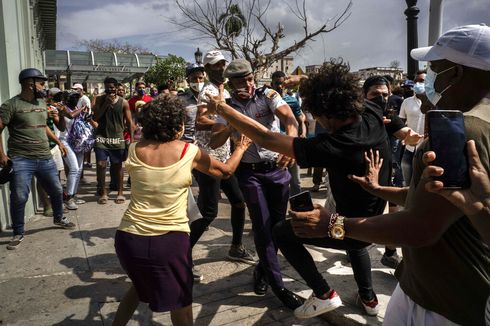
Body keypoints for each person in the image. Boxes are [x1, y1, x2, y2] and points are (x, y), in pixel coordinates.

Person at [291, 24, 490, 325]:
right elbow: (436, 201)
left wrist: (332, 224)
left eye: (435, 68)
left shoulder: (463, 130)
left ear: (457, 73)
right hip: (421, 289)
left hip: (444, 304)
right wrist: (379, 188)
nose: (429, 78)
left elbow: (419, 227)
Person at [203, 59, 390, 318]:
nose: (320, 123)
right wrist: (303, 80)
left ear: (327, 114)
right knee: (355, 247)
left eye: (320, 118)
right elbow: (333, 88)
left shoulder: (333, 146)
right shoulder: (369, 111)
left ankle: (324, 294)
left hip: (349, 224)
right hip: (372, 211)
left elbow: (268, 137)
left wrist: (221, 108)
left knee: (282, 231)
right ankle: (368, 299)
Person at [112, 95, 252, 326]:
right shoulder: (188, 151)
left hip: (129, 238)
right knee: (181, 303)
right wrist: (241, 147)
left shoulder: (134, 148)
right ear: (178, 125)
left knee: (138, 286)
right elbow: (226, 172)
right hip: (168, 241)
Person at [207, 59, 305, 311]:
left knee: (278, 226)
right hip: (249, 174)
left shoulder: (268, 95)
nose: (248, 84)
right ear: (231, 83)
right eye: (241, 81)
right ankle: (279, 286)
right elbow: (215, 142)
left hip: (277, 170)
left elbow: (291, 120)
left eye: (250, 78)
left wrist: (291, 143)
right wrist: (230, 123)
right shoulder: (226, 106)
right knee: (262, 227)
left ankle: (262, 270)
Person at [191, 51, 256, 273]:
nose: (220, 68)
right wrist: (227, 120)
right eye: (215, 66)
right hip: (208, 158)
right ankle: (180, 255)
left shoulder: (223, 90)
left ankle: (236, 247)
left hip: (224, 159)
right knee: (208, 212)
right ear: (207, 69)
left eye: (222, 64)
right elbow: (199, 121)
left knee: (238, 202)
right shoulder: (208, 90)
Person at [0, 68, 76, 250]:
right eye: (41, 82)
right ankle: (18, 232)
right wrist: (2, 155)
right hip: (20, 159)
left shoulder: (42, 103)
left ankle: (59, 217)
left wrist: (59, 135)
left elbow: (46, 127)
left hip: (44, 156)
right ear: (30, 83)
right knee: (19, 196)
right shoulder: (11, 105)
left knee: (57, 190)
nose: (44, 86)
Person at [89, 77, 133, 205]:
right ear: (105, 87)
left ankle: (120, 193)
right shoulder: (99, 100)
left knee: (118, 166)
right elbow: (96, 117)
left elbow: (130, 122)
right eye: (108, 88)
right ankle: (103, 192)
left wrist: (131, 140)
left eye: (113, 88)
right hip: (102, 137)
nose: (110, 90)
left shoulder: (124, 102)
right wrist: (106, 105)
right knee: (101, 165)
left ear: (116, 88)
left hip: (117, 137)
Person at [271, 70, 306, 196]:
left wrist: (302, 134)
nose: (280, 86)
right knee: (277, 181)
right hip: (274, 147)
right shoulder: (266, 101)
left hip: (291, 146)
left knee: (295, 181)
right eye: (276, 83)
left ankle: (298, 209)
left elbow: (300, 120)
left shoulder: (292, 101)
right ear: (272, 84)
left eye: (282, 83)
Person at [399, 70, 427, 185]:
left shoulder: (435, 102)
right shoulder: (406, 102)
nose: (418, 84)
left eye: (422, 81)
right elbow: (401, 121)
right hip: (409, 148)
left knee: (423, 185)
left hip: (426, 149)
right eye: (416, 81)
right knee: (408, 182)